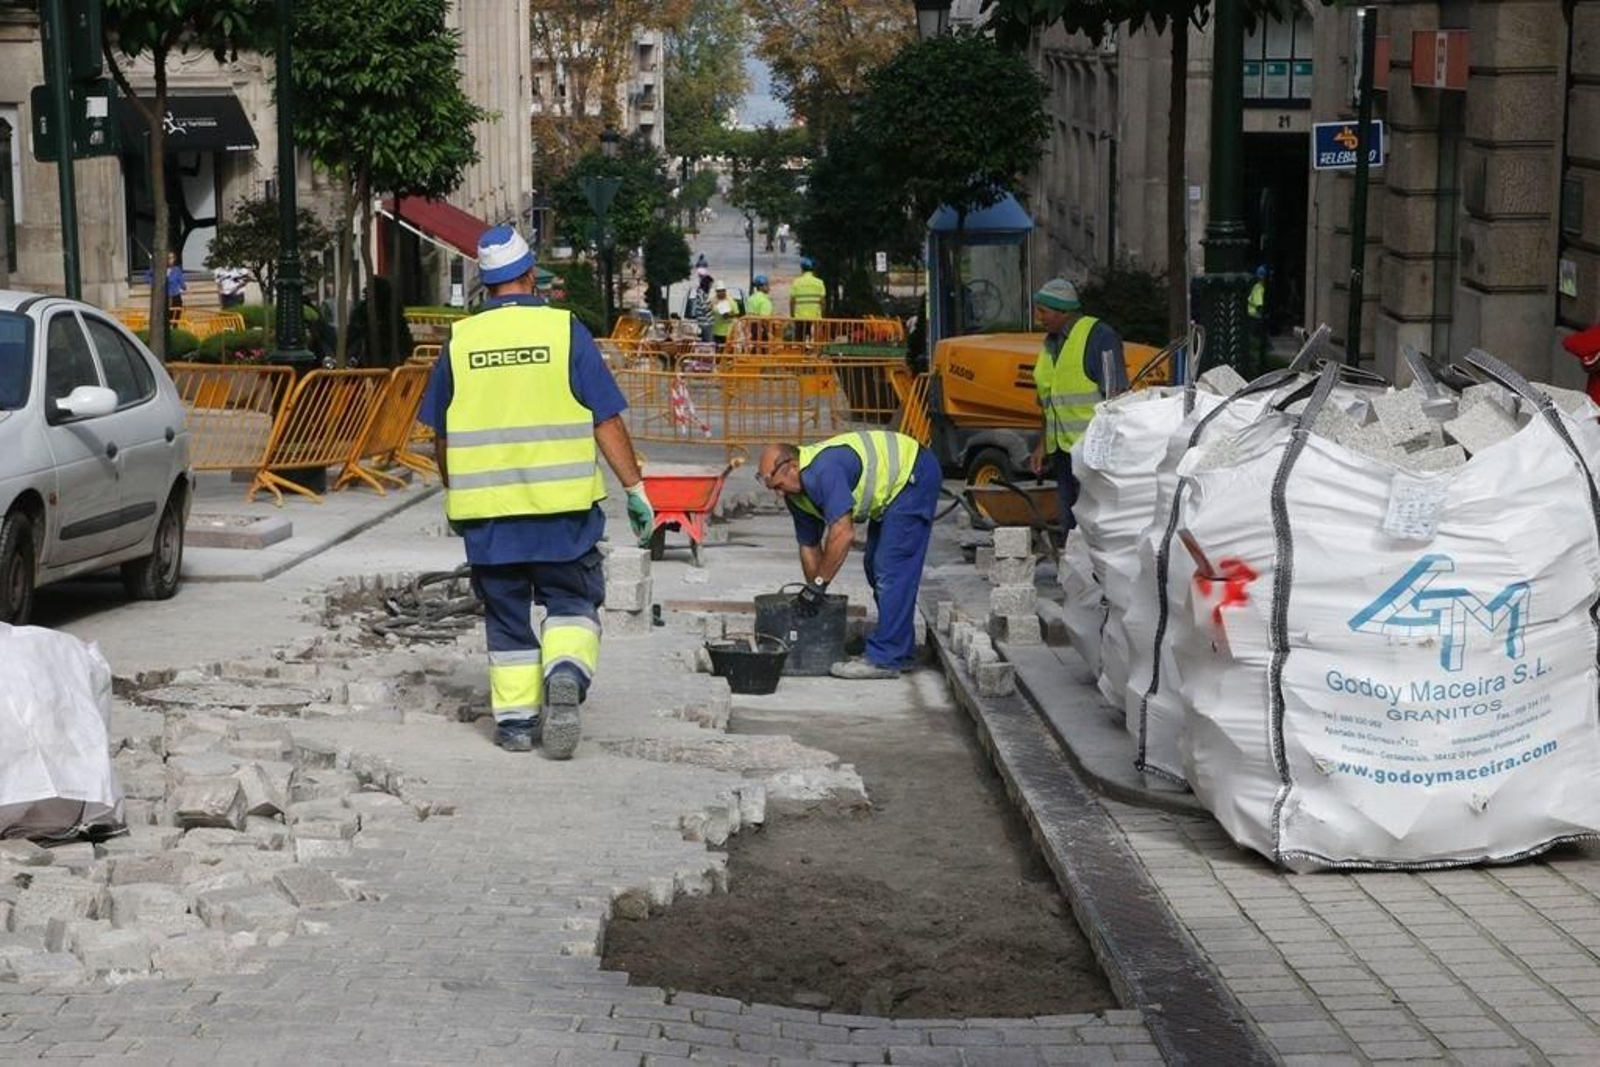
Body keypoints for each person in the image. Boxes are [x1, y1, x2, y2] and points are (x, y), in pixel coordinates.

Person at [419, 224, 654, 758]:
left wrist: (456, 494)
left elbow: (443, 435)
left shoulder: (462, 340)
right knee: (571, 601)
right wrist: (635, 488)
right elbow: (605, 419)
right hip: (562, 514)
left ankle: (517, 725)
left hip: (490, 518)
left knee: (506, 616)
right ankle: (565, 670)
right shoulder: (564, 331)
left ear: (485, 284)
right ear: (530, 276)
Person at [757, 430, 941, 680]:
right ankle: (898, 645)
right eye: (772, 489)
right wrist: (814, 594)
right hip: (893, 490)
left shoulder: (823, 471)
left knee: (890, 567)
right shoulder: (796, 495)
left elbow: (843, 534)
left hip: (913, 474)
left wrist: (819, 584)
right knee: (874, 566)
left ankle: (887, 657)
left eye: (778, 486)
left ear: (791, 466)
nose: (778, 494)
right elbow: (809, 545)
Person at [1027, 277, 1124, 535]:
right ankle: (1071, 569)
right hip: (1062, 451)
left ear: (1062, 311)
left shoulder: (1099, 336)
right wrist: (1041, 446)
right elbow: (1048, 402)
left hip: (1092, 451)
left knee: (1093, 521)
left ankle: (1092, 572)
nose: (1039, 317)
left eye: (1043, 311)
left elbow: (1115, 396)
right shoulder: (1050, 344)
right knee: (1070, 521)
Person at [790, 256, 825, 321]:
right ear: (813, 269)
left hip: (800, 317)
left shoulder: (796, 282)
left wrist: (792, 316)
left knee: (801, 331)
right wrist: (822, 316)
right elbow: (822, 302)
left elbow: (792, 302)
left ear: (802, 269)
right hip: (815, 317)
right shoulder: (820, 283)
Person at [1248, 264, 1269, 368]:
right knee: (1258, 341)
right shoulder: (1259, 288)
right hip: (1254, 316)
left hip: (1254, 316)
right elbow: (1259, 305)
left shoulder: (1258, 286)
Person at [685, 273, 715, 344]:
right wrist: (712, 305)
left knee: (706, 342)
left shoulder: (703, 293)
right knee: (709, 343)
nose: (711, 286)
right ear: (707, 284)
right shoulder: (701, 294)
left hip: (706, 322)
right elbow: (704, 307)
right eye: (711, 284)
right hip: (705, 322)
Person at [711, 281, 740, 349]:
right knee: (716, 351)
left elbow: (737, 314)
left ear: (725, 291)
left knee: (727, 350)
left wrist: (729, 316)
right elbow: (708, 312)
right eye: (718, 291)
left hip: (728, 331)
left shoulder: (730, 301)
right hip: (715, 331)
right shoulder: (713, 301)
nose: (720, 293)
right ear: (716, 292)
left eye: (722, 291)